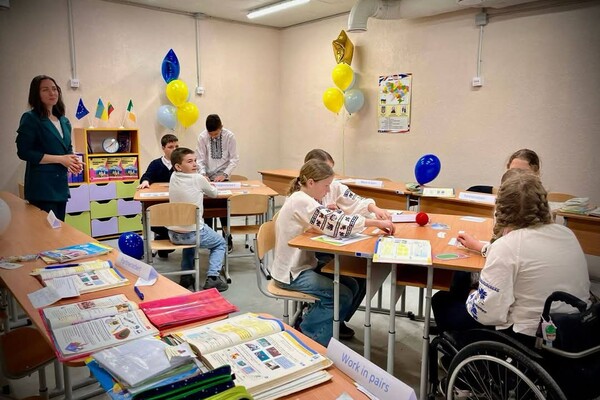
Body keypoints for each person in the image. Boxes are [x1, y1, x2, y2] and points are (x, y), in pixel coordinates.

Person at [432, 169, 590, 347]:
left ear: (500, 209)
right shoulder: (566, 234)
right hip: (573, 330)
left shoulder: (507, 245)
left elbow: (487, 314)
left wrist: (472, 295)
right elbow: (526, 255)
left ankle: (461, 355)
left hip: (529, 339)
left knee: (442, 301)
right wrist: (482, 247)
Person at [270, 159, 396, 346]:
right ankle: (307, 336)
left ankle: (328, 326)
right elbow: (334, 223)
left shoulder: (306, 198)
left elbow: (329, 219)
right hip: (291, 273)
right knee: (341, 295)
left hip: (303, 265)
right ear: (311, 182)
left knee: (352, 284)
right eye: (326, 186)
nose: (328, 190)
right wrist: (374, 222)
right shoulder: (300, 200)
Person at [303, 149, 391, 336]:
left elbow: (355, 201)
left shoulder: (331, 185)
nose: (330, 182)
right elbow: (320, 224)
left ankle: (337, 319)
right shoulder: (301, 197)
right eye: (325, 172)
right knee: (346, 282)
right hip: (311, 253)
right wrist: (331, 214)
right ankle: (315, 320)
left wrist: (374, 209)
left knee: (360, 275)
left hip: (331, 245)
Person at [16, 75, 83, 221]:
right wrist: (61, 159)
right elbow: (24, 152)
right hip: (42, 188)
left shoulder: (64, 121)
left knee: (59, 229)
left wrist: (73, 162)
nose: (52, 93)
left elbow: (67, 147)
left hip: (60, 187)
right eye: (45, 90)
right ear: (36, 94)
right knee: (45, 231)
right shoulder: (31, 118)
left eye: (54, 89)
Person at [168, 147, 228, 292]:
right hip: (193, 233)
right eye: (190, 161)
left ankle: (186, 275)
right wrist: (208, 183)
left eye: (195, 160)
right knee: (220, 243)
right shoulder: (198, 179)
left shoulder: (173, 176)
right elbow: (214, 194)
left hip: (174, 234)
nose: (195, 164)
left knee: (190, 241)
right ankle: (213, 277)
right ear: (178, 166)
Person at [195, 114, 240, 253]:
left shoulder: (229, 136)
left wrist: (224, 175)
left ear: (221, 127)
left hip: (222, 177)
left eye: (216, 134)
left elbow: (234, 159)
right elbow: (200, 159)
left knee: (223, 209)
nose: (213, 137)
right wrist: (203, 174)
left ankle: (227, 238)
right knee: (207, 209)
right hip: (207, 176)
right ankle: (210, 240)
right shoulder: (202, 137)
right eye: (211, 134)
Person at [137, 134, 179, 258]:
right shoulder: (156, 164)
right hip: (159, 205)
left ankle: (166, 239)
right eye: (170, 147)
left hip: (176, 205)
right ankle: (166, 237)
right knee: (149, 219)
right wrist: (145, 181)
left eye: (176, 146)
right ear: (163, 148)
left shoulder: (182, 163)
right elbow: (147, 175)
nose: (174, 149)